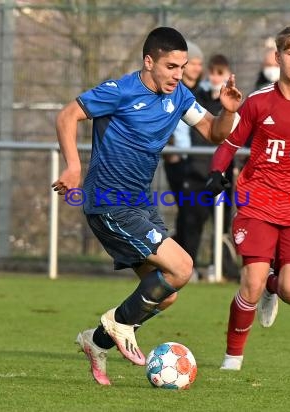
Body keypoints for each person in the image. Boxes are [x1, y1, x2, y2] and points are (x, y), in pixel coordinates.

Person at [51, 27, 242, 385]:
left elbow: (215, 132)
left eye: (182, 67)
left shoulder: (180, 96)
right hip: (110, 202)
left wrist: (227, 111)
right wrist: (74, 166)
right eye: (171, 66)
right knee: (182, 268)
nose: (178, 75)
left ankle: (96, 340)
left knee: (163, 295)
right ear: (149, 61)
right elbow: (67, 116)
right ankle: (119, 324)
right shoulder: (120, 91)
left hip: (139, 204)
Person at [205, 26, 290, 371]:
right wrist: (217, 171)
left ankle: (273, 286)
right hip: (257, 201)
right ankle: (232, 358)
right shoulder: (258, 101)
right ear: (278, 57)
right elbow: (231, 143)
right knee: (249, 281)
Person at [174, 54, 240, 282]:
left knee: (220, 223)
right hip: (195, 170)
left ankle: (219, 266)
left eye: (220, 73)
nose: (214, 77)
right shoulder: (194, 98)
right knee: (191, 220)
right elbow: (184, 128)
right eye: (212, 72)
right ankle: (187, 267)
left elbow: (236, 134)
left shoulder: (233, 102)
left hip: (221, 173)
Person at [163, 40, 204, 195]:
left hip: (199, 161)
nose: (197, 68)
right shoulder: (170, 91)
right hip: (177, 160)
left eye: (200, 64)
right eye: (193, 63)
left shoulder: (203, 93)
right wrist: (170, 152)